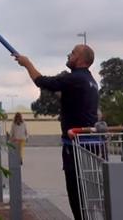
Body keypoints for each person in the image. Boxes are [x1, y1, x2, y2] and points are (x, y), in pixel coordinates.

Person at [15, 45, 98, 220]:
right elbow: (74, 101)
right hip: (86, 146)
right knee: (86, 196)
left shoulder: (74, 78)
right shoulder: (89, 80)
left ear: (82, 60)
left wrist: (27, 64)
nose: (69, 54)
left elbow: (41, 81)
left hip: (75, 148)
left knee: (77, 196)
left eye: (74, 53)